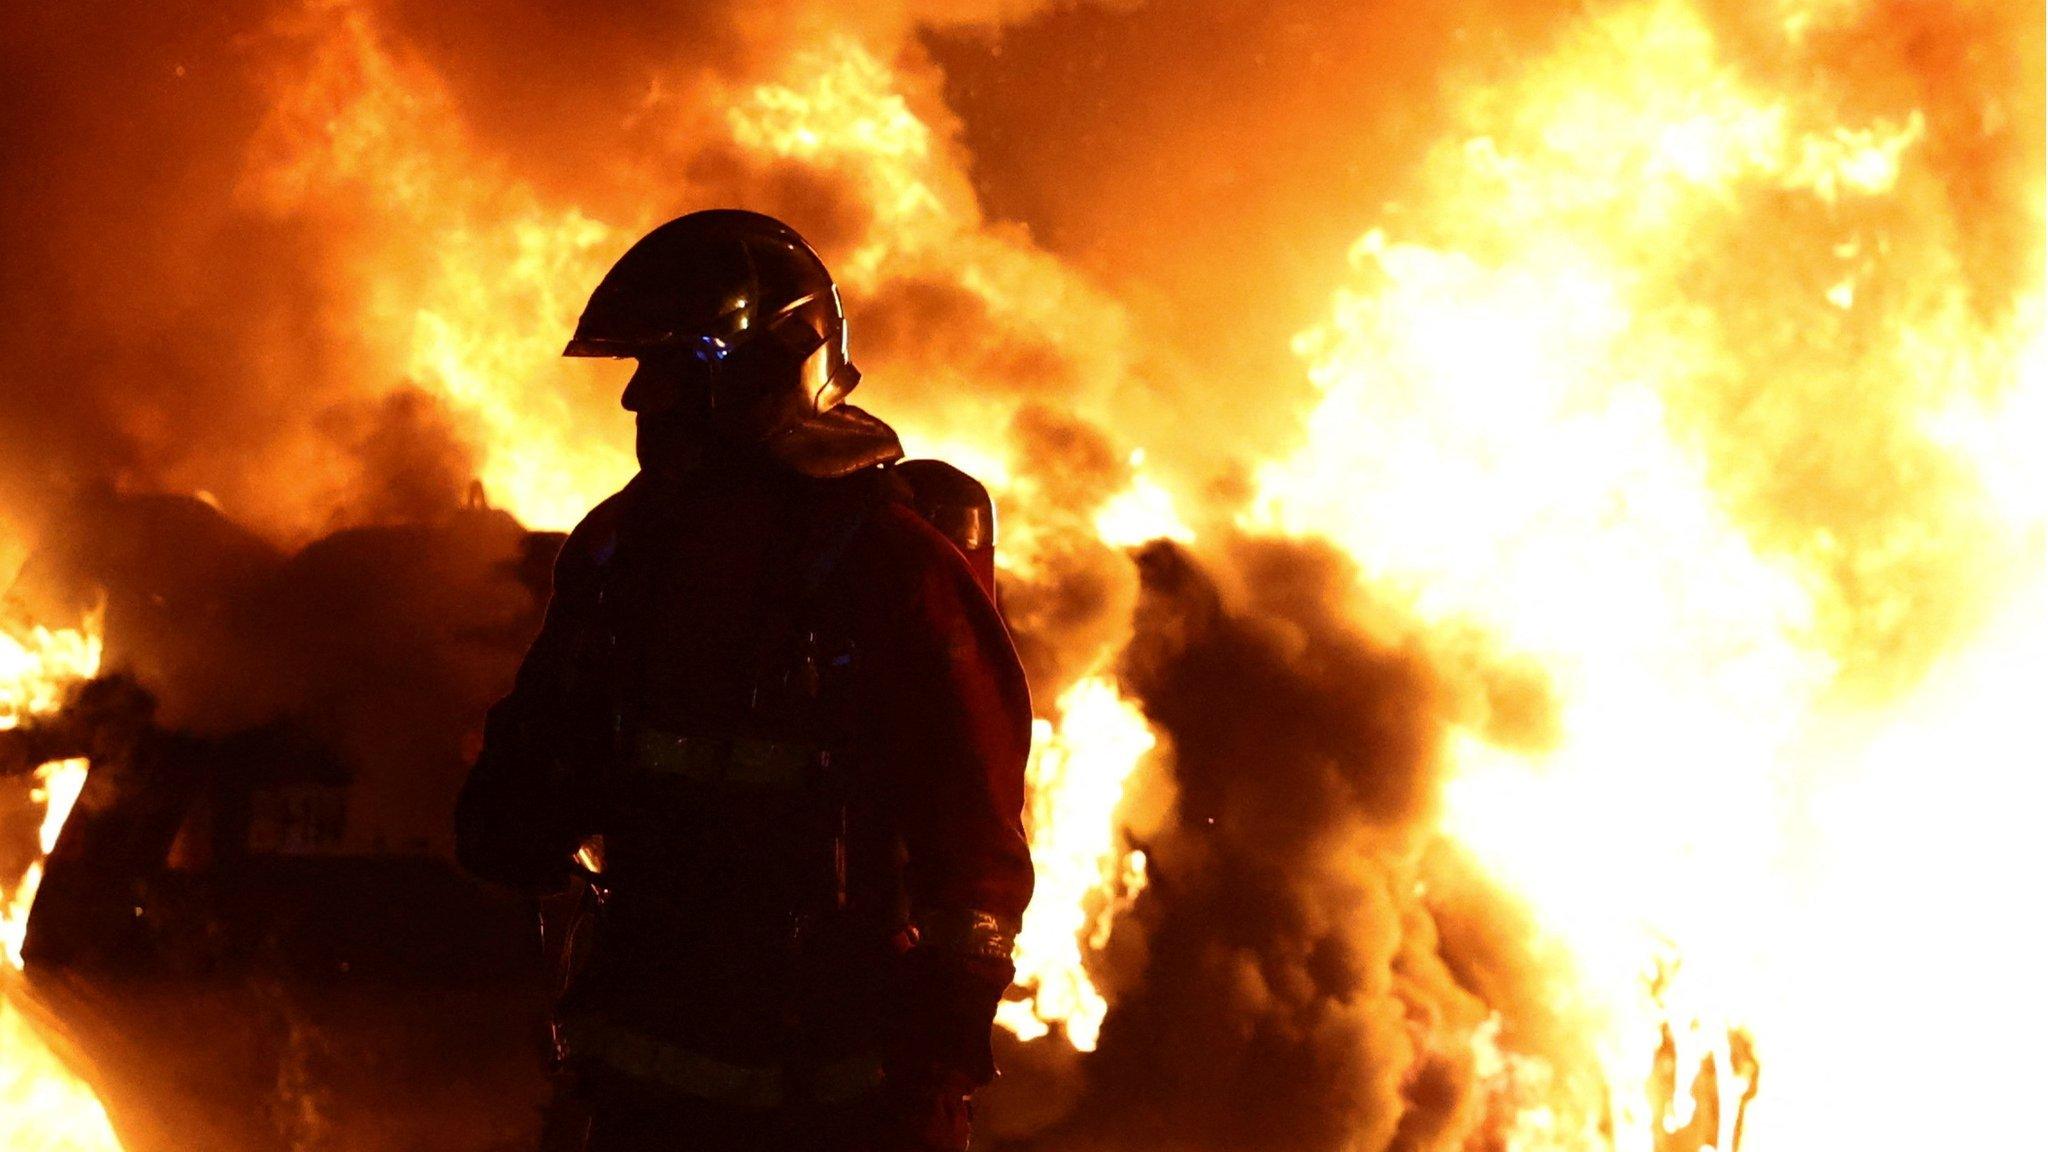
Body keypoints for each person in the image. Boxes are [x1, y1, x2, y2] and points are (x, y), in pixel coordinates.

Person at [454, 209, 1034, 1152]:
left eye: (669, 368)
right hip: (648, 1062)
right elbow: (553, 745)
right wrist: (516, 806)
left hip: (837, 1074)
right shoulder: (620, 549)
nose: (638, 400)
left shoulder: (892, 568)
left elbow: (972, 821)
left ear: (758, 372)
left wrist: (949, 1014)